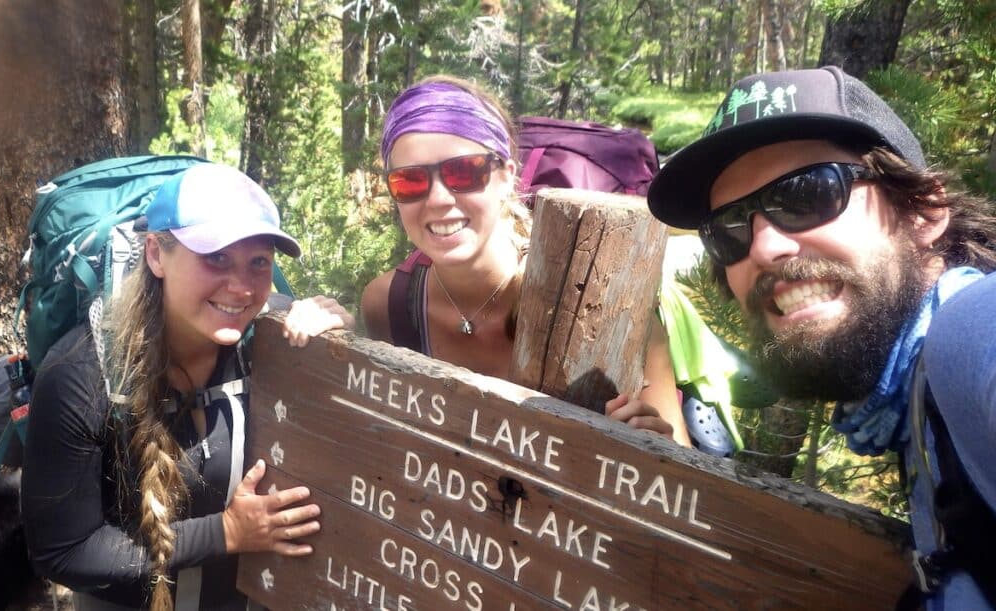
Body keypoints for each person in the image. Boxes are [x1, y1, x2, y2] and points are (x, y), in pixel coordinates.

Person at [647, 66, 996, 609]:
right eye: (729, 229)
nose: (764, 249)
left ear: (924, 211)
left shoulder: (969, 333)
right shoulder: (921, 420)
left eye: (808, 193)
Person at [21, 163, 353, 611]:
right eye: (215, 257)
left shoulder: (268, 340)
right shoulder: (81, 375)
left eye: (258, 262)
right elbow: (64, 550)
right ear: (156, 254)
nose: (239, 287)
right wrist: (227, 533)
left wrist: (336, 336)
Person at [359, 75, 690, 446]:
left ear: (506, 177)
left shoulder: (613, 311)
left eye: (463, 172)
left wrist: (657, 449)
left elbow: (684, 478)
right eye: (409, 182)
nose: (437, 199)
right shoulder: (388, 305)